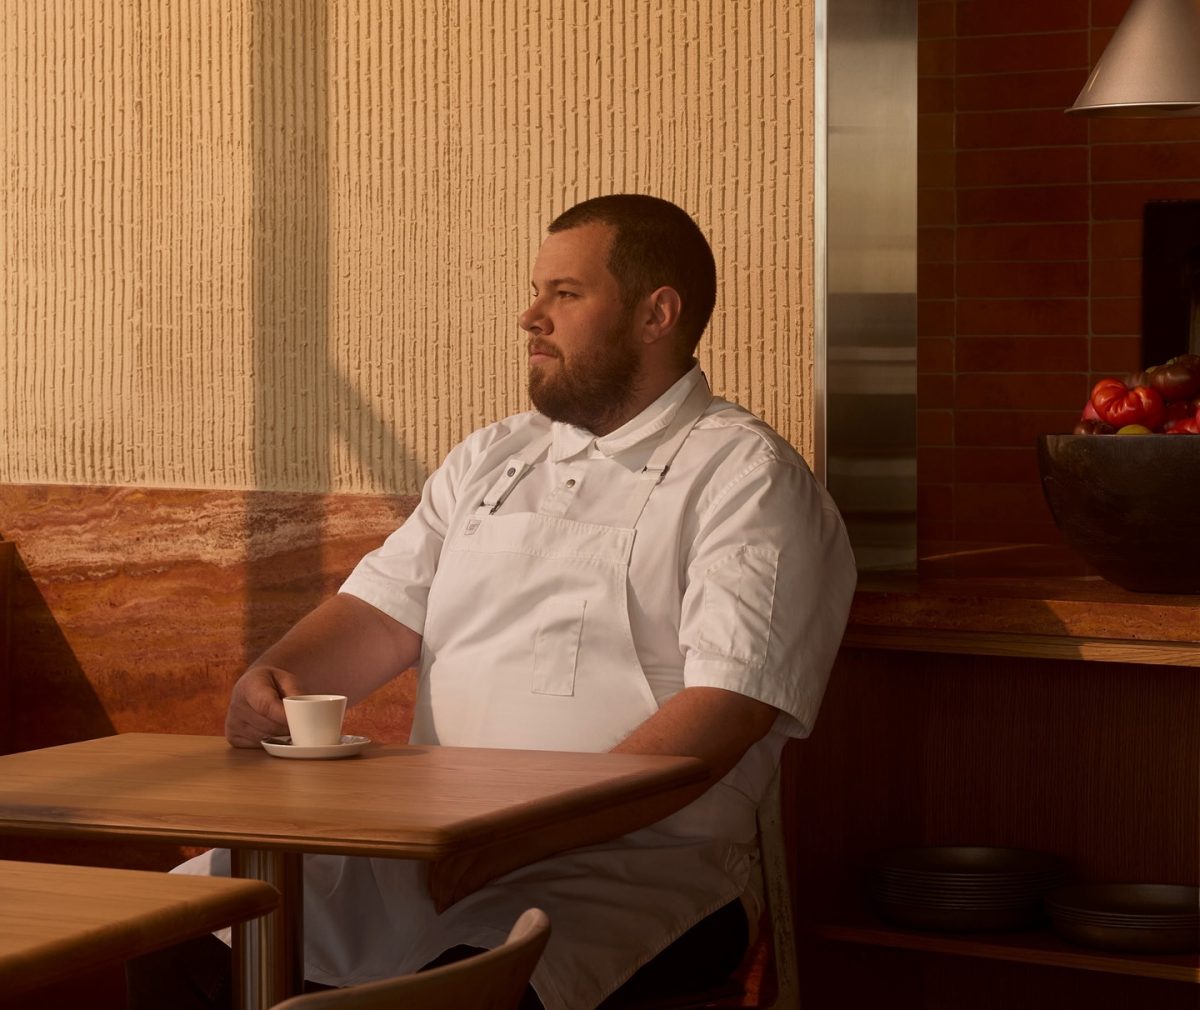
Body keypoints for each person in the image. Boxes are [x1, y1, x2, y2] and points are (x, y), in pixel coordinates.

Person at [129, 194, 857, 1010]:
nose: (530, 316)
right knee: (182, 921)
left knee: (480, 984)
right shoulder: (493, 454)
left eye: (565, 294)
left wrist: (525, 835)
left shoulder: (748, 480)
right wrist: (273, 676)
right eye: (536, 290)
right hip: (429, 841)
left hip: (628, 865)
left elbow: (727, 711)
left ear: (658, 314)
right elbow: (380, 610)